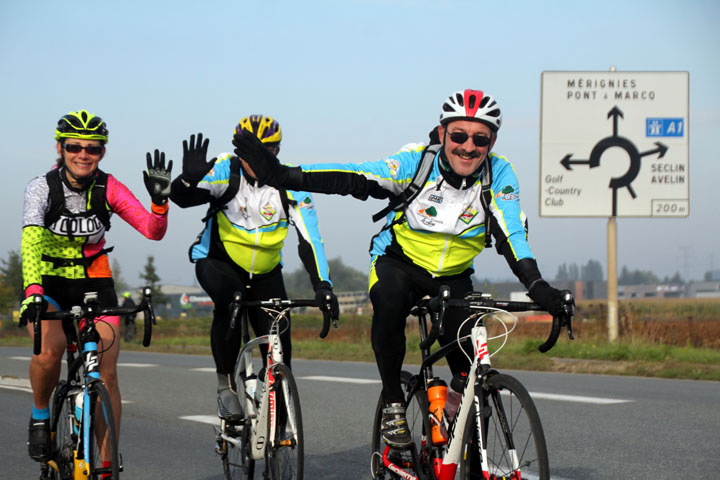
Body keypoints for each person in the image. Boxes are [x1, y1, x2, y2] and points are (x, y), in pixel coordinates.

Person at [232, 90, 575, 447]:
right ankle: (394, 402)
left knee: (471, 373)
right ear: (442, 134)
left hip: (453, 277)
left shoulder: (500, 174)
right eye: (458, 136)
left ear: (493, 141)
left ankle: (461, 429)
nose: (468, 147)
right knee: (390, 299)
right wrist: (284, 175)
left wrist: (538, 287)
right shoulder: (415, 164)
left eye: (480, 139)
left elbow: (511, 233)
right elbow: (354, 177)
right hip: (399, 263)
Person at [19, 109, 172, 461]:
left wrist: (160, 203)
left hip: (95, 282)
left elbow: (152, 230)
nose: (83, 155)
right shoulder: (41, 188)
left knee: (108, 373)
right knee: (49, 351)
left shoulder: (110, 187)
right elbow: (30, 241)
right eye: (75, 147)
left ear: (102, 152)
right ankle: (41, 414)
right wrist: (33, 292)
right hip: (47, 282)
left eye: (93, 148)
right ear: (60, 148)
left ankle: (105, 462)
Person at [169, 115, 339, 420]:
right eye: (252, 151)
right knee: (230, 299)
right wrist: (186, 181)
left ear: (277, 151)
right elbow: (183, 199)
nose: (260, 158)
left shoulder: (291, 187)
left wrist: (323, 286)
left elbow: (310, 241)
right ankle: (226, 387)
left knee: (280, 350)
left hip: (266, 274)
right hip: (218, 263)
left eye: (269, 150)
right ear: (239, 151)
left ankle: (275, 419)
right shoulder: (226, 171)